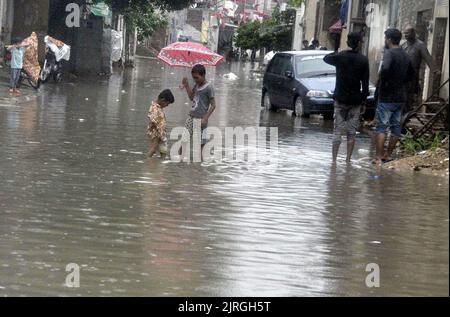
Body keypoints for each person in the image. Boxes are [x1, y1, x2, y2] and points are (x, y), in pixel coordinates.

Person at [324, 32, 370, 163]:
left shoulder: (340, 57)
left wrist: (338, 51)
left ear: (348, 43)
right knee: (351, 132)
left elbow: (326, 58)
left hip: (340, 99)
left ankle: (333, 160)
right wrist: (363, 101)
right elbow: (365, 84)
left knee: (337, 131)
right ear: (359, 44)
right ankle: (348, 160)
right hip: (355, 101)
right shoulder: (363, 60)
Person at [375, 28, 415, 164]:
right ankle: (388, 155)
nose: (385, 41)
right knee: (396, 127)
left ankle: (379, 157)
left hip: (386, 96)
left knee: (381, 127)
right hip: (400, 97)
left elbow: (385, 69)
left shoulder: (389, 53)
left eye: (385, 38)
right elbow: (411, 75)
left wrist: (382, 82)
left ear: (390, 40)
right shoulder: (405, 55)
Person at [181, 64, 217, 157]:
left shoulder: (209, 87)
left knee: (201, 144)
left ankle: (199, 167)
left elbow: (213, 105)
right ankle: (179, 162)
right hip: (191, 116)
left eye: (197, 78)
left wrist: (205, 118)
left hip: (201, 119)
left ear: (203, 75)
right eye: (193, 78)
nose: (195, 80)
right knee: (184, 139)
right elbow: (192, 98)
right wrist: (187, 86)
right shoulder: (196, 85)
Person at [402, 25, 438, 113]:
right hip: (402, 76)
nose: (405, 35)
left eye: (408, 33)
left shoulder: (420, 45)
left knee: (409, 97)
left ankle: (406, 115)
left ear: (413, 33)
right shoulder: (403, 45)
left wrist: (434, 70)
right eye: (405, 33)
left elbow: (428, 58)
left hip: (413, 76)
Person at [147, 89, 175, 158]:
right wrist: (160, 134)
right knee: (153, 150)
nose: (167, 105)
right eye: (167, 104)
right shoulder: (154, 108)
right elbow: (153, 121)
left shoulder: (158, 108)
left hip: (161, 134)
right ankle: (147, 162)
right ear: (163, 100)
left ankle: (158, 166)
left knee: (163, 151)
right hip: (156, 134)